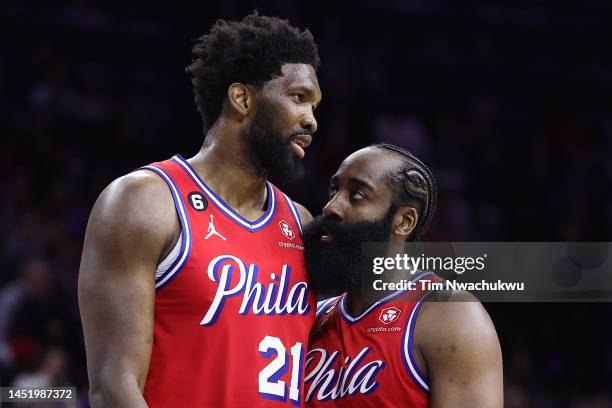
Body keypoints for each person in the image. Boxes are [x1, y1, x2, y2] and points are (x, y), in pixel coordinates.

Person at [78, 13, 322, 407]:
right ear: (242, 99)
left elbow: (394, 290)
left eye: (315, 106)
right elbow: (113, 387)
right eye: (298, 98)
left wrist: (455, 274)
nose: (311, 120)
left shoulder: (300, 222)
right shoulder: (144, 201)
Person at [302, 144, 503, 407]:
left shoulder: (448, 314)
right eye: (334, 190)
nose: (331, 207)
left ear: (404, 221)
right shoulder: (315, 317)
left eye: (357, 195)